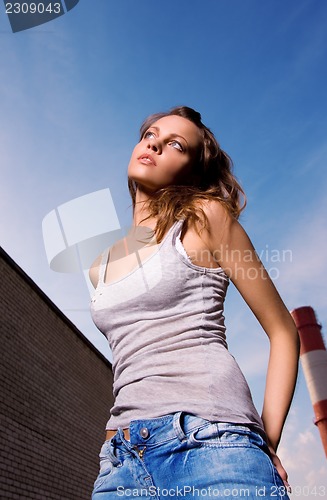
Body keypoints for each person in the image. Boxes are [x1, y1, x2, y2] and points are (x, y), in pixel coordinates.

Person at [89, 106, 299, 499]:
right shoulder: (100, 265)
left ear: (193, 171)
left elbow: (284, 332)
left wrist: (267, 440)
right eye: (151, 134)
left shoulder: (206, 218)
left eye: (175, 144)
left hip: (213, 443)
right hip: (120, 463)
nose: (154, 143)